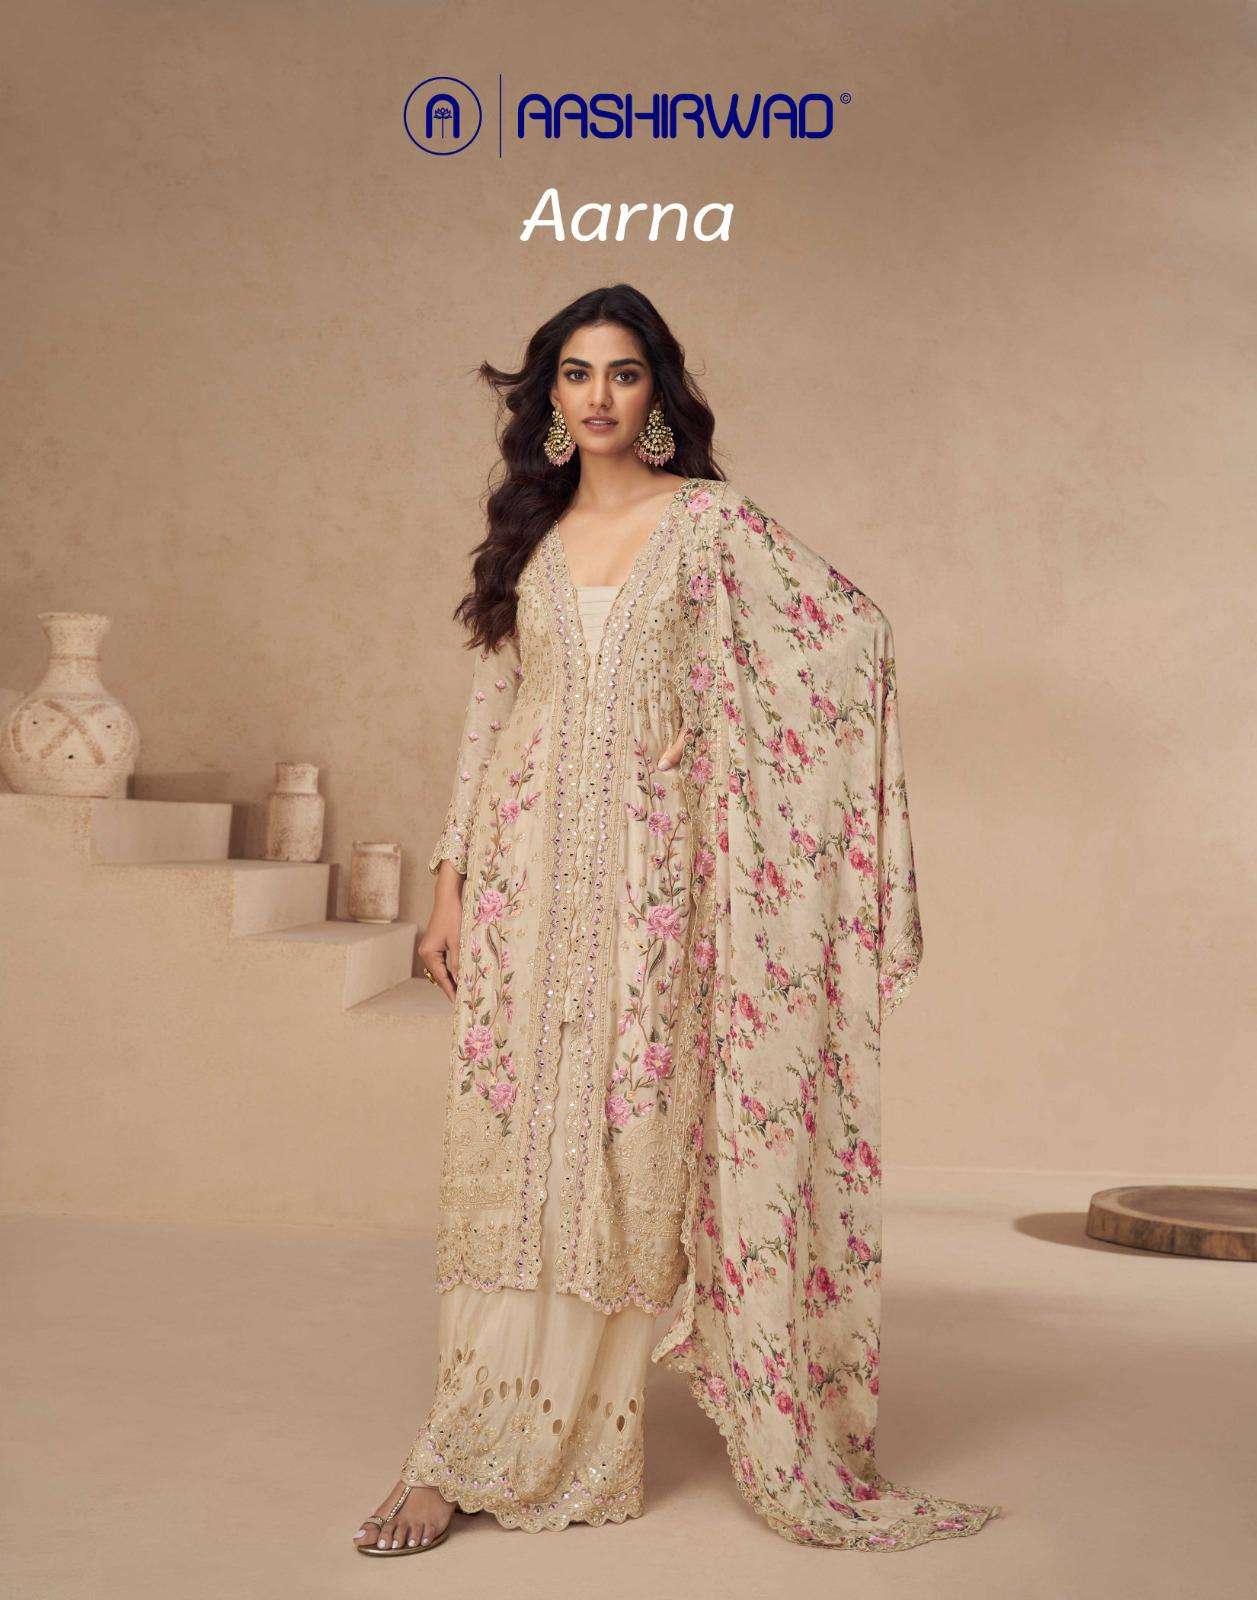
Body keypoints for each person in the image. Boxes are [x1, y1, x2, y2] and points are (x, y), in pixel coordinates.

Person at [353, 283, 1002, 1554]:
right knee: (511, 1139)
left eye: (623, 372)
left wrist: (711, 743)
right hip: (525, 873)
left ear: (658, 394)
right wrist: (448, 882)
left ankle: (574, 1441)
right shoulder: (529, 538)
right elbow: (492, 717)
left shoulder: (706, 525)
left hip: (651, 880)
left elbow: (846, 640)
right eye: (576, 373)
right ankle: (461, 1440)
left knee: (620, 1135)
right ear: (549, 398)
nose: (598, 395)